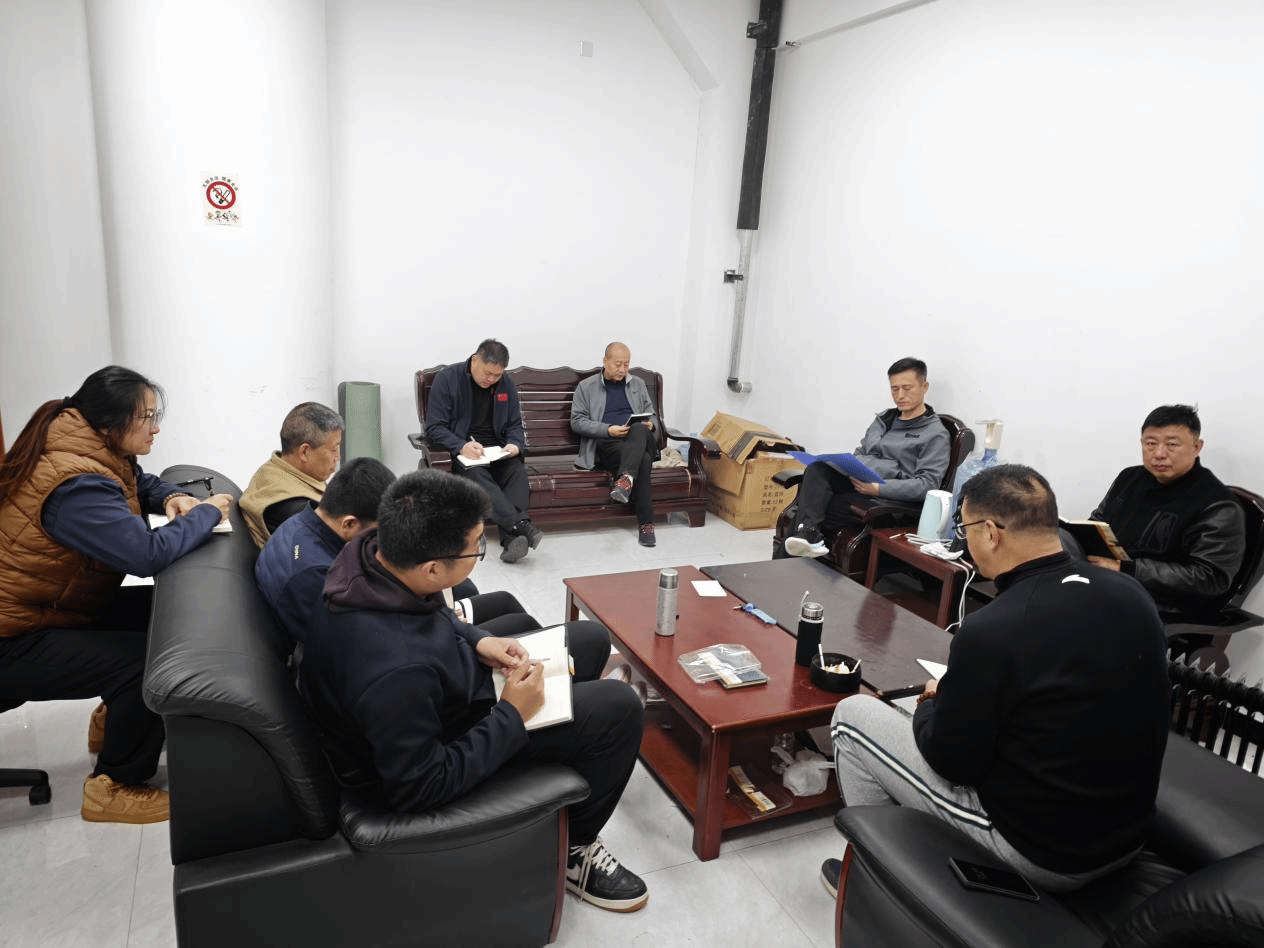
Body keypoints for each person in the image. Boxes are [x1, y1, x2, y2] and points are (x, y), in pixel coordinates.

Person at [300, 469, 649, 912]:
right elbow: (420, 787)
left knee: (589, 639)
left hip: (444, 696)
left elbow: (426, 610)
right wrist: (512, 714)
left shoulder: (369, 554)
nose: (479, 553)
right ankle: (575, 850)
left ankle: (565, 754)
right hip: (433, 751)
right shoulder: (394, 671)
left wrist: (476, 640)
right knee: (619, 708)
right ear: (432, 568)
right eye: (476, 547)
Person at [821, 465, 1169, 899]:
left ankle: (871, 883)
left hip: (1043, 854)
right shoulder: (1130, 594)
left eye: (964, 530)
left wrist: (930, 704)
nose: (965, 543)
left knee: (854, 716)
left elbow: (950, 762)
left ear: (989, 533)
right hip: (1125, 837)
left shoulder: (994, 629)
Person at [0, 366, 233, 824]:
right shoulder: (74, 485)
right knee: (145, 660)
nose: (155, 427)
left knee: (161, 617)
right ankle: (114, 784)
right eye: (146, 417)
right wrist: (205, 514)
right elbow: (145, 555)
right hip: (13, 639)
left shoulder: (84, 443)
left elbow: (136, 483)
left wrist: (170, 498)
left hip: (50, 610)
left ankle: (114, 722)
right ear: (110, 424)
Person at [255, 457, 536, 650]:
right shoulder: (313, 576)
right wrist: (442, 624)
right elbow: (368, 644)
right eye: (379, 530)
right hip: (394, 651)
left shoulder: (303, 522)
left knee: (494, 598)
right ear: (349, 524)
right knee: (520, 623)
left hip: (394, 632)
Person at [1085, 405, 1245, 620]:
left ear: (1197, 447)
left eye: (1172, 445)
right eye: (1151, 444)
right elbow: (1097, 523)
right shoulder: (1129, 478)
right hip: (1112, 582)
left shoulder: (1218, 506)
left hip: (1165, 605)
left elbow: (1209, 578)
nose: (1159, 454)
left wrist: (1127, 569)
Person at [782, 357, 950, 558]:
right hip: (859, 485)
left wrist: (878, 488)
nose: (900, 395)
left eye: (907, 388)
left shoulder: (935, 434)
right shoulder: (884, 419)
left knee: (810, 510)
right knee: (818, 468)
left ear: (924, 387)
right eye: (894, 389)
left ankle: (798, 545)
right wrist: (848, 468)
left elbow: (927, 484)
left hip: (886, 500)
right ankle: (807, 535)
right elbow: (862, 452)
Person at [424, 339, 541, 563]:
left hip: (497, 450)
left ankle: (512, 539)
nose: (492, 379)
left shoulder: (506, 383)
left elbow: (515, 424)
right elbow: (434, 427)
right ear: (475, 360)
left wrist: (515, 444)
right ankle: (521, 525)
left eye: (497, 375)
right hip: (466, 452)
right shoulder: (448, 379)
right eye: (488, 373)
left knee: (517, 471)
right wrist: (461, 445)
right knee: (478, 475)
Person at [570, 342, 660, 547]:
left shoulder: (637, 384)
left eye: (626, 365)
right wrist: (607, 429)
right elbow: (577, 422)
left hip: (638, 438)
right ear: (605, 361)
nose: (622, 369)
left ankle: (625, 480)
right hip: (608, 445)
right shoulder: (587, 387)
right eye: (618, 364)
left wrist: (651, 425)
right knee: (644, 459)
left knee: (638, 429)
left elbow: (652, 416)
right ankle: (646, 524)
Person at [240, 402, 344, 548]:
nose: (338, 457)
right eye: (334, 449)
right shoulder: (294, 507)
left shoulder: (275, 469)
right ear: (304, 452)